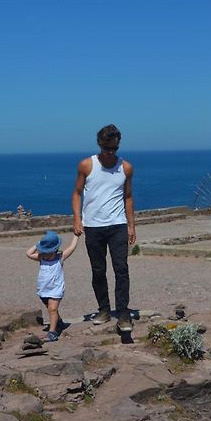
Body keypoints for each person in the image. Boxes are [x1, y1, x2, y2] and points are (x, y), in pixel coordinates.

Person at [72, 124, 136, 332]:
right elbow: (77, 193)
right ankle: (104, 309)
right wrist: (77, 219)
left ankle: (124, 314)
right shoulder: (86, 165)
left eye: (115, 148)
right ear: (100, 145)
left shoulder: (125, 168)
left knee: (121, 269)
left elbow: (128, 197)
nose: (111, 152)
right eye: (108, 148)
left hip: (117, 224)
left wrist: (131, 226)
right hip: (93, 226)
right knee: (98, 270)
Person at [26, 230, 79, 342]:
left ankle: (52, 332)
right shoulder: (41, 257)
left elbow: (72, 247)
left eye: (49, 253)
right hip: (43, 289)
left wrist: (76, 235)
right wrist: (38, 244)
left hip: (56, 288)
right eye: (45, 252)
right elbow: (29, 253)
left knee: (53, 309)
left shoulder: (61, 257)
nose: (47, 255)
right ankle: (59, 323)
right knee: (50, 309)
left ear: (56, 250)